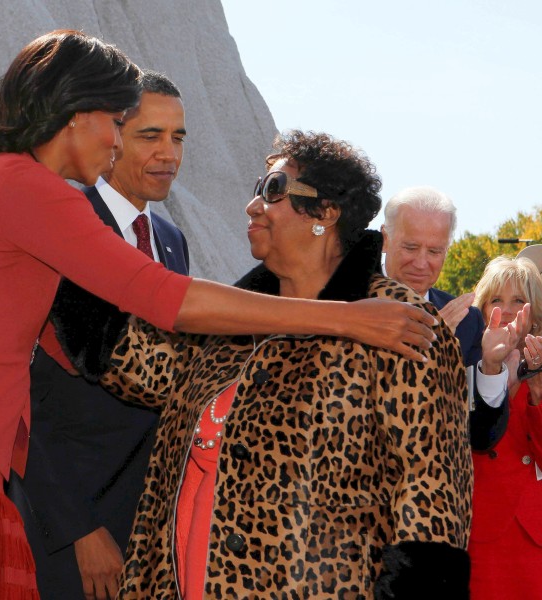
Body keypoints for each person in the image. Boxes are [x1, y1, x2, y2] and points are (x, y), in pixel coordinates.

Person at [0, 31, 435, 599]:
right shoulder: (28, 189)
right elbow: (164, 299)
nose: (121, 141)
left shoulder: (9, 186)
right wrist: (345, 319)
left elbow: (98, 347)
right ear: (76, 116)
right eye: (118, 122)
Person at [50, 131, 472, 599]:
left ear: (326, 213)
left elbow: (432, 504)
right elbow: (121, 354)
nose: (253, 205)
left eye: (273, 190)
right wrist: (64, 224)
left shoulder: (397, 322)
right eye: (256, 190)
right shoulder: (227, 328)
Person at [9, 70, 189, 600]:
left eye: (178, 137)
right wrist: (76, 529)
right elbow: (21, 389)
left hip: (147, 522)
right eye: (150, 135)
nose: (168, 153)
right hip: (67, 524)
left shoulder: (173, 240)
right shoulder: (61, 223)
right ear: (113, 136)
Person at [381, 186, 516, 449]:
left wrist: (490, 367)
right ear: (385, 238)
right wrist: (427, 340)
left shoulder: (466, 321)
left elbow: (480, 437)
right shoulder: (347, 300)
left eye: (434, 252)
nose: (421, 263)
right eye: (410, 247)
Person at [468, 255, 542, 600]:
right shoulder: (460, 363)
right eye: (497, 300)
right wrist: (492, 366)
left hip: (534, 532)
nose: (508, 310)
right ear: (482, 308)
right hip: (480, 528)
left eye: (518, 300)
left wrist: (538, 395)